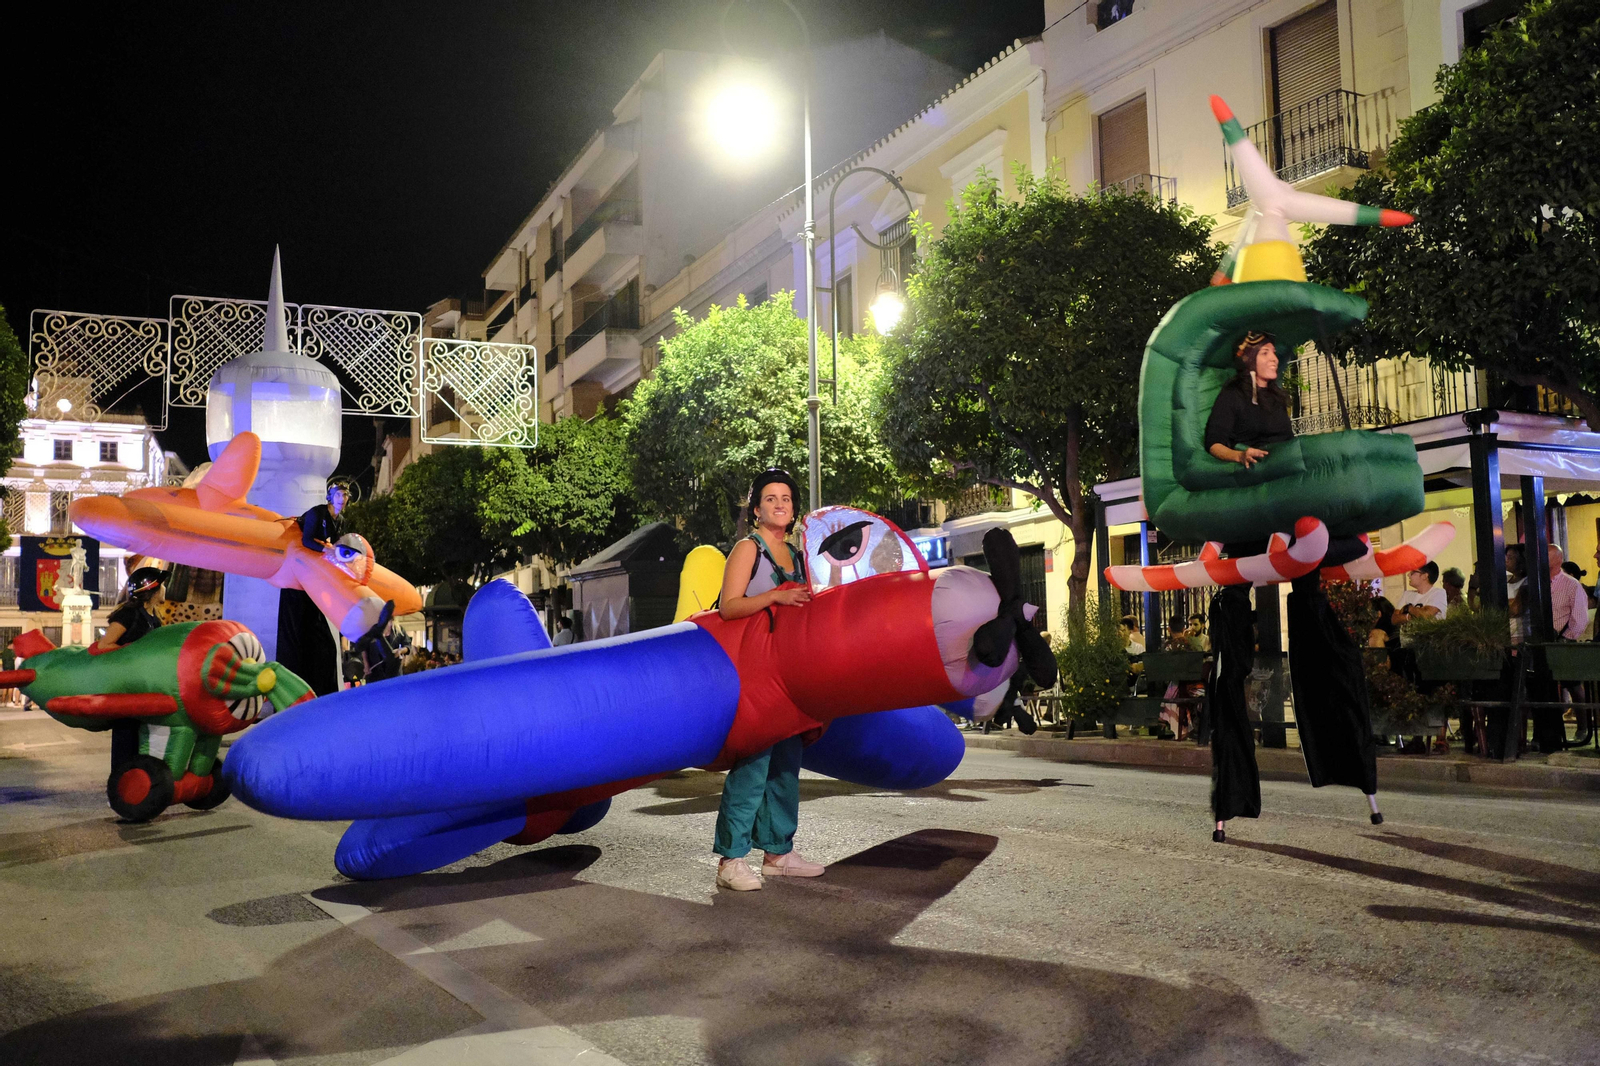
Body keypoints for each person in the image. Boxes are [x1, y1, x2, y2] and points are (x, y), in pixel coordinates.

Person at [1201, 331, 1382, 840]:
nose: (1275, 359)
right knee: (1234, 633)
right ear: (1248, 361)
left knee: (1316, 600)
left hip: (1292, 499)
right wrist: (1239, 456)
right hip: (1255, 498)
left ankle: (1348, 764)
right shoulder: (1233, 398)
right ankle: (1231, 797)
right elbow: (1212, 442)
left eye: (1275, 353)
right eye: (1266, 353)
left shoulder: (1280, 399)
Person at [711, 468, 823, 892]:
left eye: (787, 499)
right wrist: (774, 596)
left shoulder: (796, 555)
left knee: (785, 766)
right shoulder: (748, 548)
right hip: (753, 674)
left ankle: (778, 853)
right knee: (753, 765)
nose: (781, 505)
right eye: (771, 499)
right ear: (757, 509)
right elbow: (728, 607)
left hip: (788, 677)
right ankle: (730, 860)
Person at [277, 482, 349, 696]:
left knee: (323, 643)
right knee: (295, 639)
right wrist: (328, 551)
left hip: (313, 581)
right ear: (330, 496)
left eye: (345, 495)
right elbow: (308, 540)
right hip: (296, 579)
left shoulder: (341, 520)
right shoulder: (317, 514)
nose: (342, 499)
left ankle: (321, 692)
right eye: (338, 494)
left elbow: (337, 545)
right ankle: (291, 694)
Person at [98, 568, 166, 650]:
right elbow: (104, 645)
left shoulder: (154, 615)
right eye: (162, 585)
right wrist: (135, 652)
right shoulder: (128, 614)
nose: (164, 588)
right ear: (153, 590)